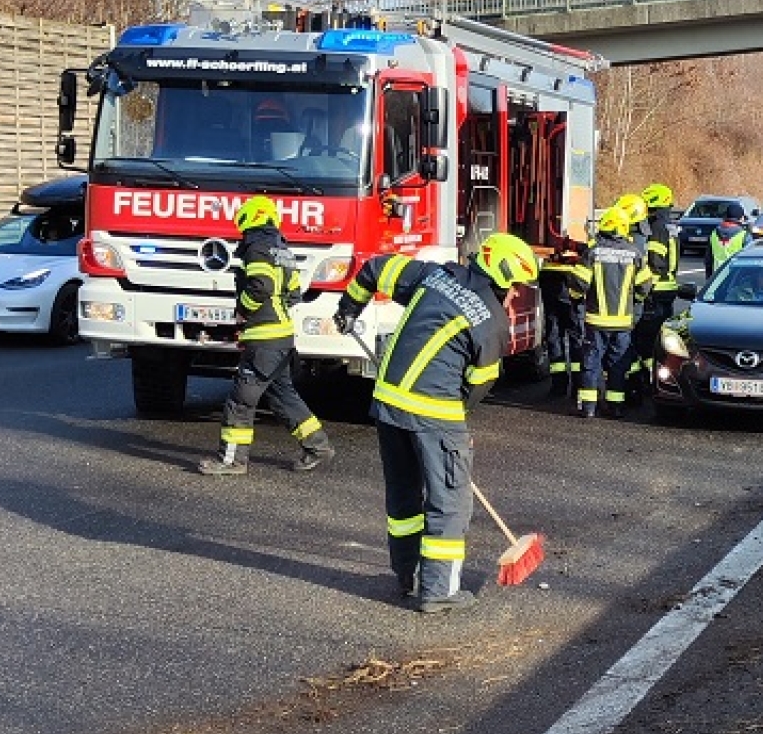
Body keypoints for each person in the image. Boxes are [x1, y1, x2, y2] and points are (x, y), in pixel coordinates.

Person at [331, 232, 542, 613]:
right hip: (435, 413)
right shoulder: (492, 323)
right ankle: (438, 591)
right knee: (449, 505)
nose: (514, 296)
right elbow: (479, 384)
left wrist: (349, 308)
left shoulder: (435, 275)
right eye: (515, 287)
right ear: (503, 279)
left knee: (404, 497)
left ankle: (406, 575)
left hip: (388, 404)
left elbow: (376, 269)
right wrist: (456, 433)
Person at [198, 195, 335, 474]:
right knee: (282, 394)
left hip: (264, 339)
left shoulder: (257, 247)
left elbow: (260, 287)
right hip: (281, 337)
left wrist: (242, 312)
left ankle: (232, 461)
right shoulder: (282, 249)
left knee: (240, 401)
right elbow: (294, 294)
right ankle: (317, 446)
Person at [569, 204, 652, 419]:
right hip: (622, 323)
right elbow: (644, 287)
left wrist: (576, 301)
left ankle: (588, 407)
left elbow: (579, 284)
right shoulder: (635, 253)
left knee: (591, 363)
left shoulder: (593, 251)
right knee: (618, 365)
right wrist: (635, 307)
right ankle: (615, 407)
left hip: (596, 322)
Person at [629, 182, 680, 409]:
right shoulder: (669, 225)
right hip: (667, 290)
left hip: (656, 291)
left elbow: (656, 263)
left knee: (645, 341)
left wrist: (642, 281)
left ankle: (647, 382)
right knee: (655, 340)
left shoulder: (657, 227)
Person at [539, 240, 589, 399]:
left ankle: (559, 386)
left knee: (555, 336)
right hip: (568, 286)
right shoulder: (597, 246)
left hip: (552, 281)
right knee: (575, 338)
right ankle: (577, 386)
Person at [708, 201, 752, 273]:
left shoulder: (714, 234)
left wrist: (710, 280)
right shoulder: (744, 235)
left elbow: (708, 260)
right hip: (736, 278)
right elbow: (750, 262)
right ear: (741, 218)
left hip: (718, 277)